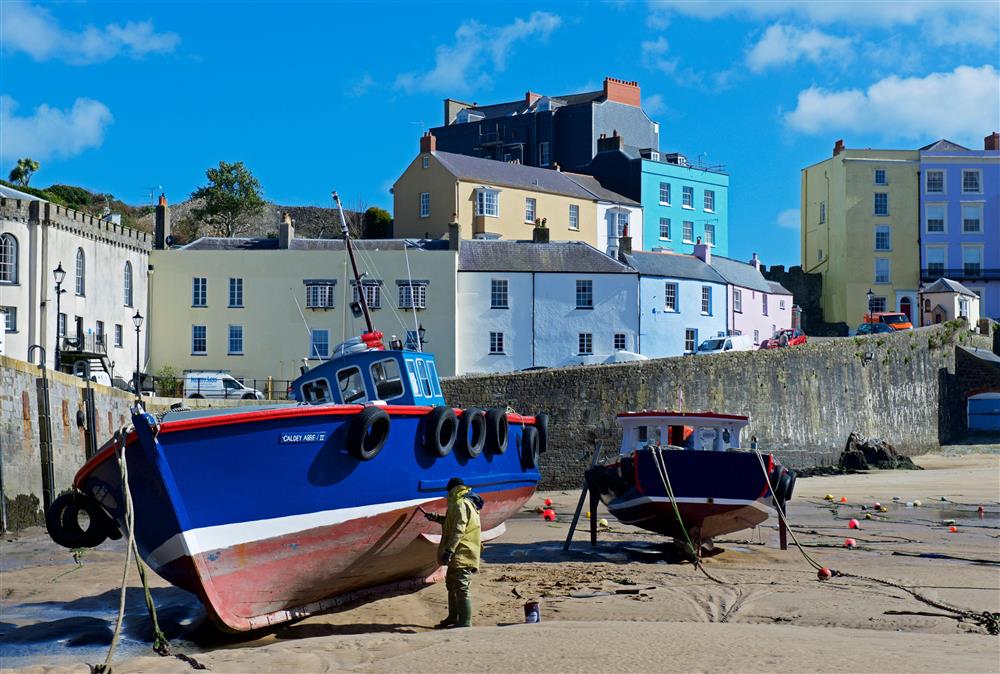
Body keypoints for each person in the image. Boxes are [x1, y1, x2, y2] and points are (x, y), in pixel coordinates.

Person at [424, 477, 482, 629]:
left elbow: (459, 529)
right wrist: (437, 518)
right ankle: (453, 617)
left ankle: (464, 622)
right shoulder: (462, 502)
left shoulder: (460, 504)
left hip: (463, 551)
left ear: (451, 490)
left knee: (461, 586)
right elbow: (453, 522)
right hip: (461, 551)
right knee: (451, 584)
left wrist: (449, 550)